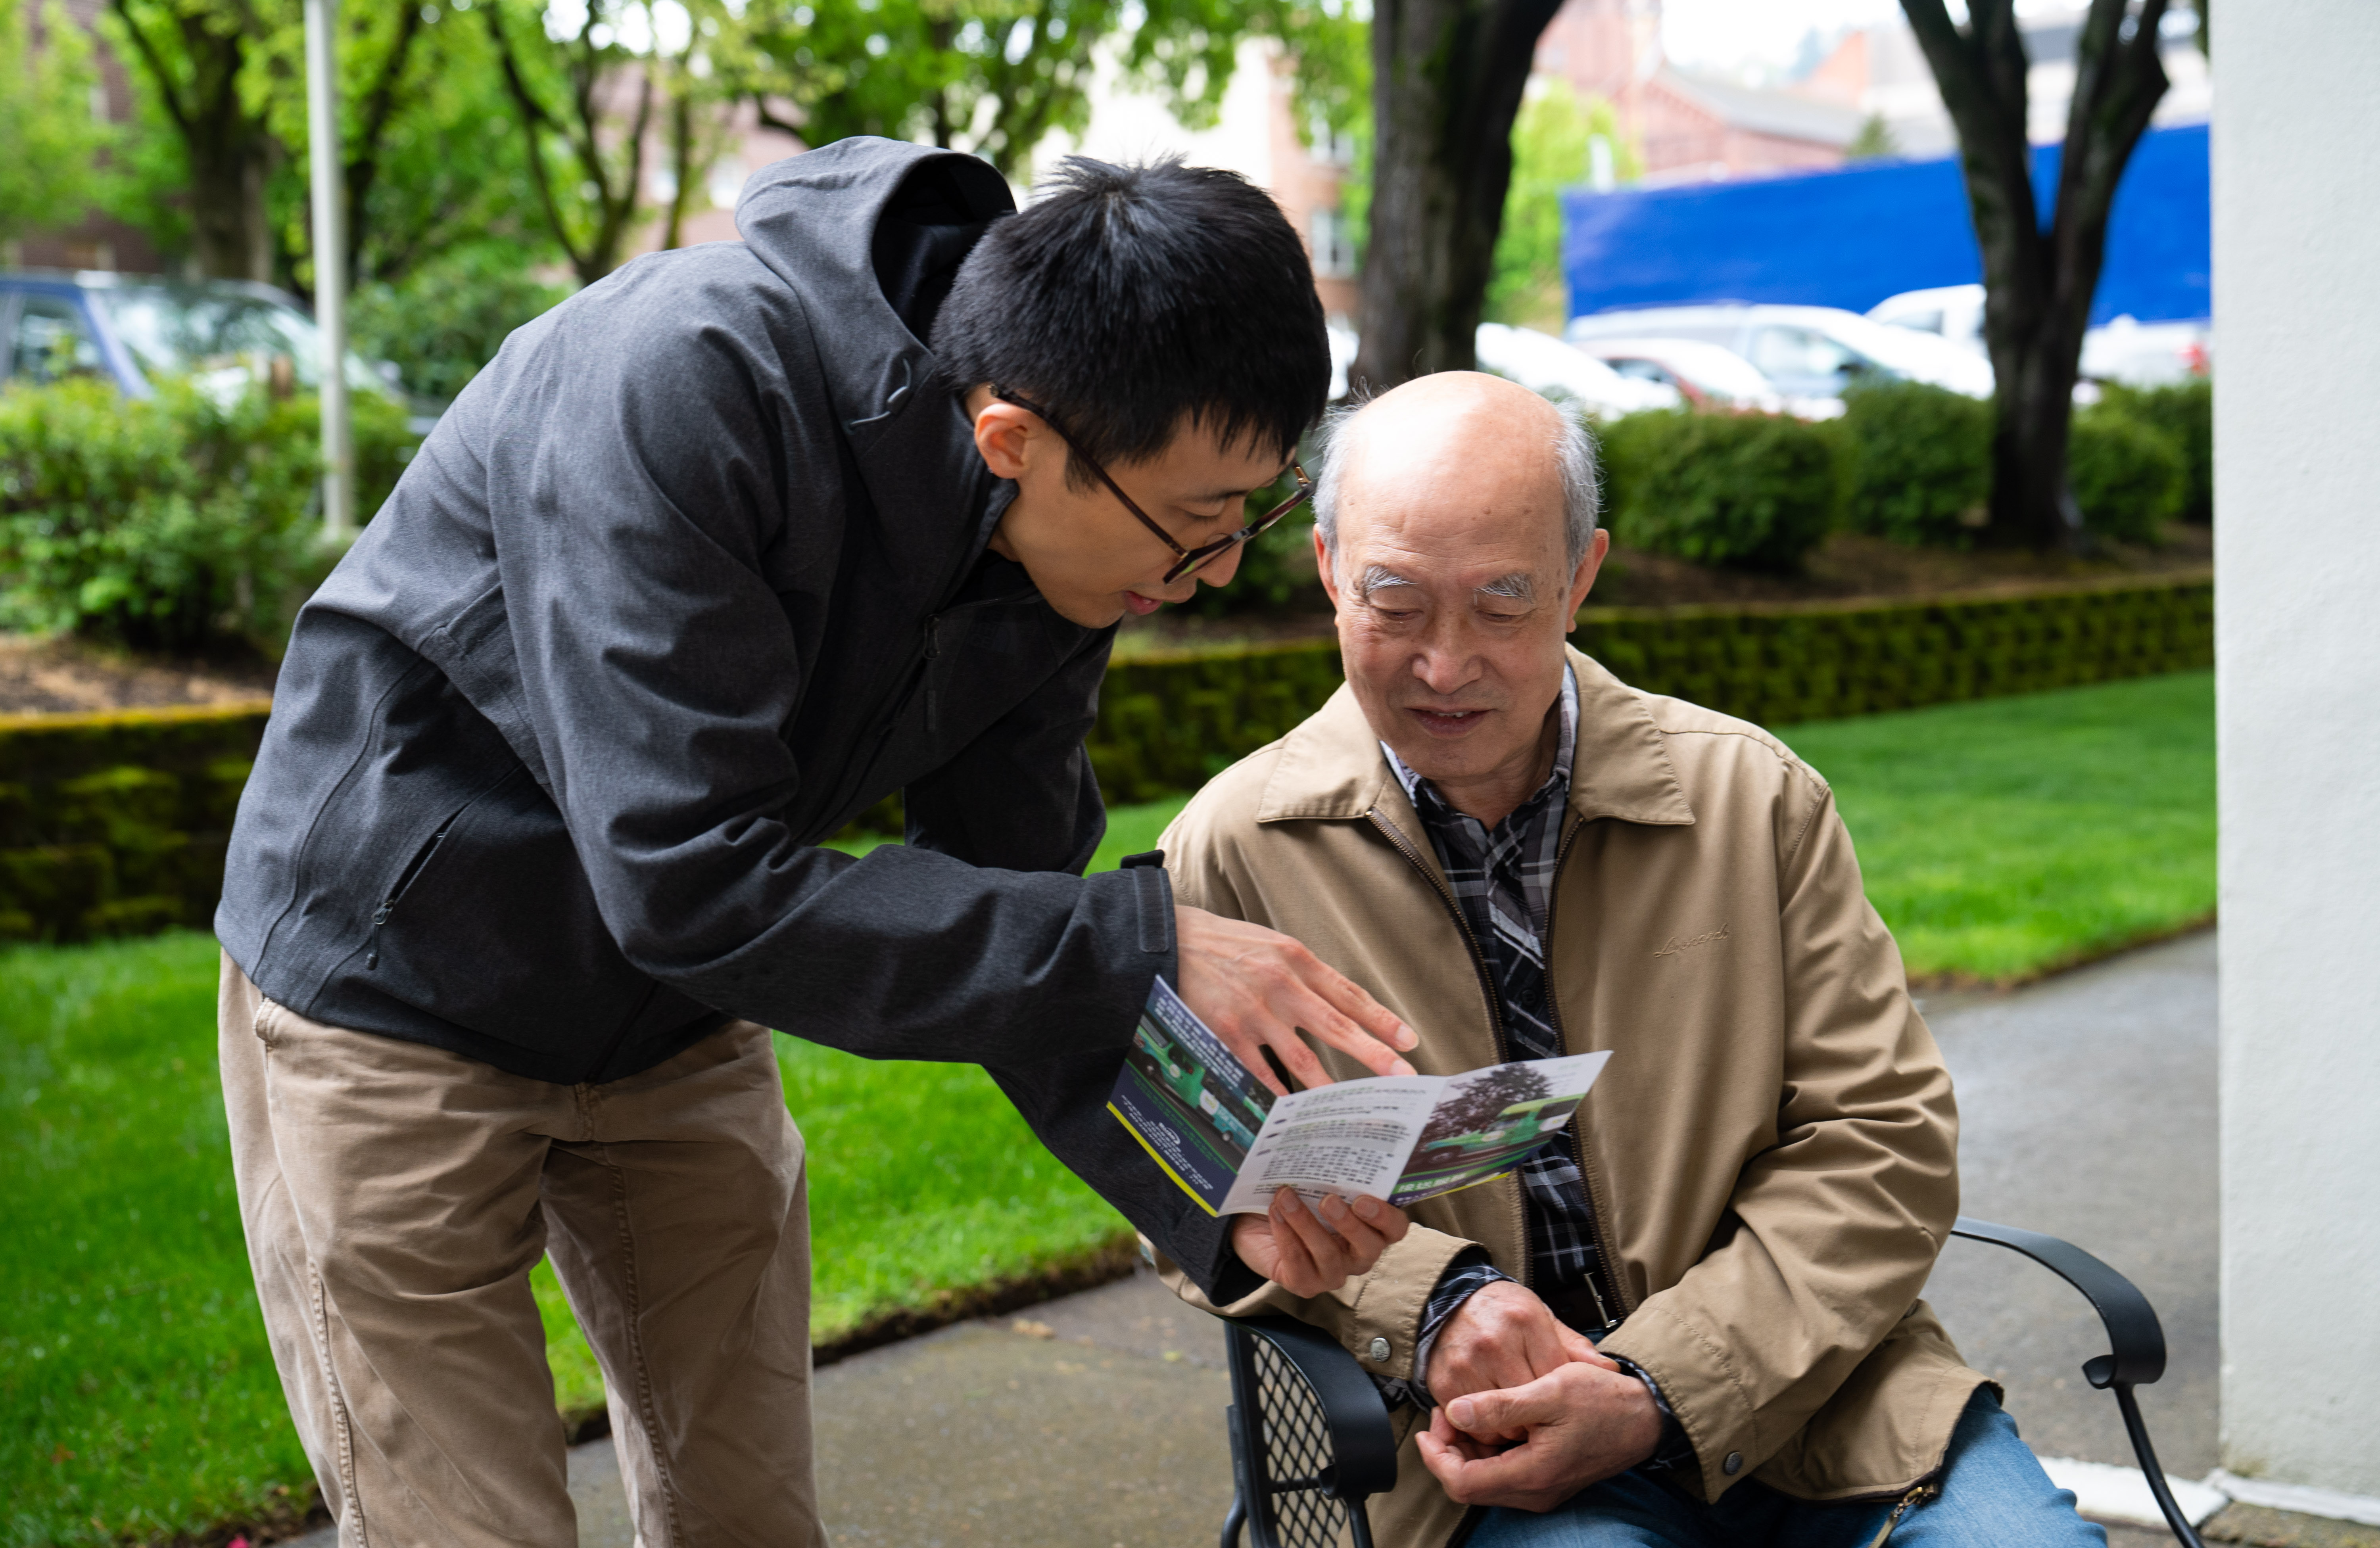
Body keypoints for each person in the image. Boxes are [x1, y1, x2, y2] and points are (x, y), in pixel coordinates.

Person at [213, 139, 1413, 1548]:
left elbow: (1015, 925)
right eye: (1199, 523)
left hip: (677, 1016)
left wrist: (1221, 1200)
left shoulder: (1065, 556)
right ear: (1016, 439)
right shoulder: (682, 380)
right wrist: (1145, 938)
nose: (1215, 573)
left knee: (752, 1521)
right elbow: (687, 874)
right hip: (394, 993)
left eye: (1251, 512)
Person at [1154, 372, 2106, 1547]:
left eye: (1504, 603)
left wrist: (1661, 1389)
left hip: (1811, 1401)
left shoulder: (1751, 799)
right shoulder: (1230, 850)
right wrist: (1437, 1303)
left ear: (1583, 578)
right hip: (1477, 1447)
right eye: (1394, 601)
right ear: (1327, 571)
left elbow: (1886, 1141)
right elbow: (1196, 1185)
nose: (1446, 665)